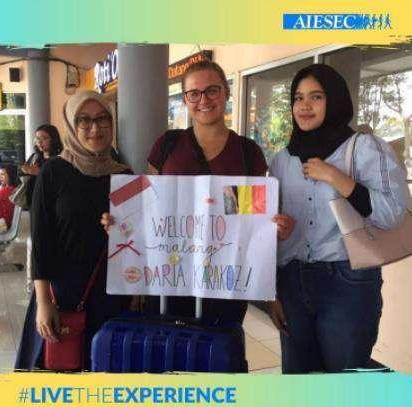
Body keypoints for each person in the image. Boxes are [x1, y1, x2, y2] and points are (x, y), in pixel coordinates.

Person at [268, 63, 408, 373]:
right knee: (298, 379)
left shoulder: (365, 148)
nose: (304, 106)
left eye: (316, 97)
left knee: (343, 380)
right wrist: (272, 289)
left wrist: (336, 177)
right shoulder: (283, 160)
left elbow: (392, 214)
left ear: (335, 100)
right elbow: (272, 227)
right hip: (292, 280)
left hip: (346, 282)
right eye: (298, 97)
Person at [143, 61, 290, 324]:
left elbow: (250, 221)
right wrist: (121, 224)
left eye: (212, 90)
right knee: (170, 345)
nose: (203, 100)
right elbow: (149, 208)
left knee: (219, 344)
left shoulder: (247, 152)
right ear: (185, 99)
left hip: (225, 278)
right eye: (194, 93)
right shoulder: (167, 145)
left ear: (226, 93)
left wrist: (270, 289)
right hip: (170, 275)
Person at [15, 91, 132, 371]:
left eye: (102, 119)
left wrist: (123, 230)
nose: (95, 128)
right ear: (70, 124)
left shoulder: (124, 175)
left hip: (111, 292)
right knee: (62, 372)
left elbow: (136, 239)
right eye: (84, 120)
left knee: (106, 371)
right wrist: (44, 302)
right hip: (62, 294)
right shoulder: (53, 172)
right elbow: (41, 241)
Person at [21, 124, 63, 292]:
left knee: (49, 242)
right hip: (34, 205)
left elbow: (59, 183)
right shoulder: (35, 157)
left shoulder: (60, 159)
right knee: (36, 242)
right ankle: (35, 283)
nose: (40, 142)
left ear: (53, 139)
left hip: (53, 208)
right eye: (37, 138)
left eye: (44, 138)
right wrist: (24, 171)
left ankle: (51, 283)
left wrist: (39, 173)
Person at [0, 164, 18, 231]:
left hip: (2, 223)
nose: (0, 177)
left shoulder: (8, 190)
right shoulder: (12, 189)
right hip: (4, 222)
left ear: (10, 175)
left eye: (2, 174)